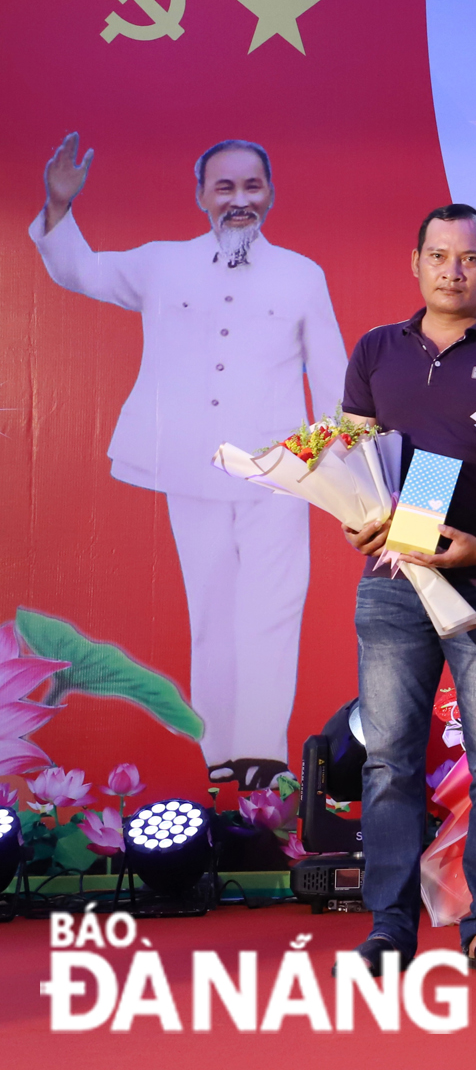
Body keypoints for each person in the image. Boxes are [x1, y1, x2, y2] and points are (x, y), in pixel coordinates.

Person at [30, 133, 346, 790]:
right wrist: (59, 207)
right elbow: (80, 270)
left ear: (270, 193)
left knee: (274, 609)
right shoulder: (160, 263)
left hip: (279, 474)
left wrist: (325, 469)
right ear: (201, 194)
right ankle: (219, 753)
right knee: (213, 609)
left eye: (251, 186)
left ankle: (262, 750)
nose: (239, 199)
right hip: (190, 466)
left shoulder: (301, 273)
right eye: (224, 187)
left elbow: (338, 380)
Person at [338, 204, 476, 976]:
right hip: (393, 583)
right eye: (439, 255)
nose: (453, 270)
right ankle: (389, 926)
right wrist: (356, 521)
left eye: (470, 259)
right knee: (389, 760)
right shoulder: (375, 350)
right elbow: (351, 456)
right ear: (416, 261)